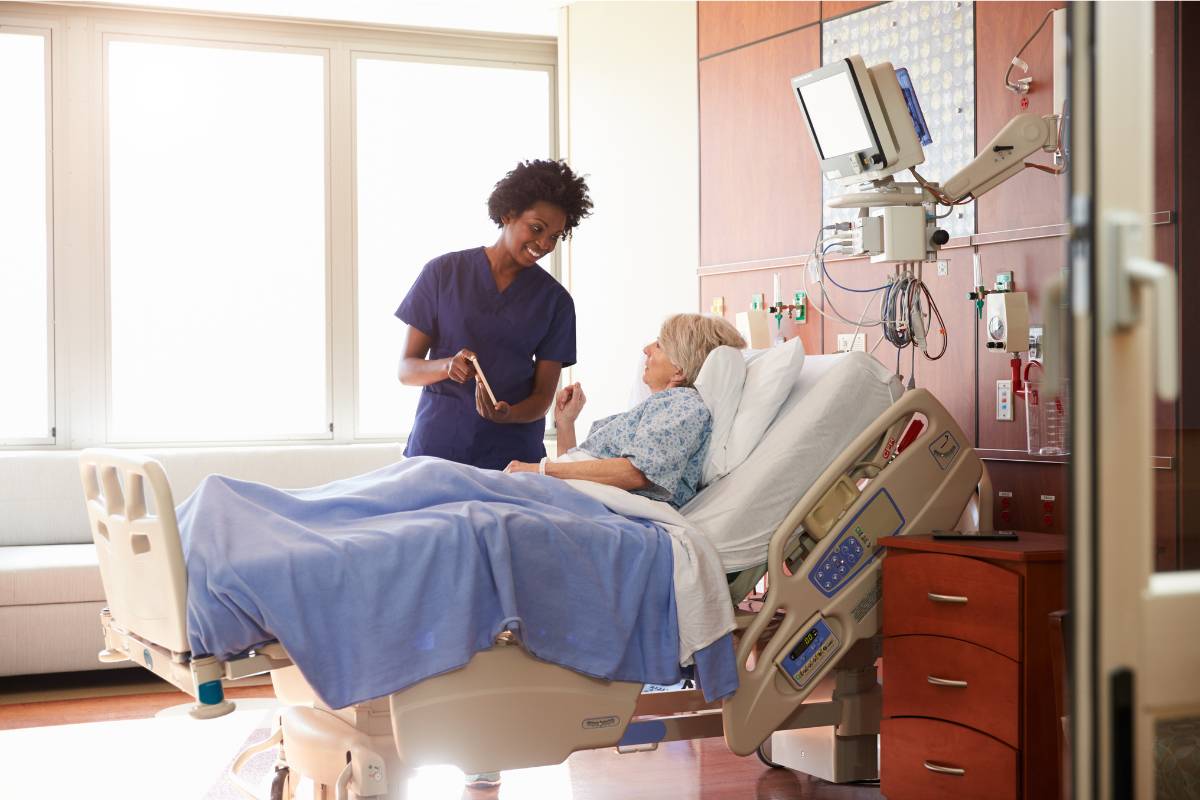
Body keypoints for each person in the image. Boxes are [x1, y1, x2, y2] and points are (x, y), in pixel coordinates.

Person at [396, 159, 593, 470]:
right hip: (438, 450)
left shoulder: (556, 302)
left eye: (555, 236)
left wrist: (509, 414)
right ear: (508, 214)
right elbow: (407, 369)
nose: (544, 244)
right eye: (537, 228)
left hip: (512, 459)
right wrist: (448, 366)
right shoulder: (442, 273)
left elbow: (543, 397)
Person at [505, 313, 746, 508]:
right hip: (576, 500)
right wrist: (566, 422)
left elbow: (637, 473)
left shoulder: (685, 406)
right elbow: (583, 473)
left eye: (660, 345)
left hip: (599, 513)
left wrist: (540, 470)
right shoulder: (660, 409)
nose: (647, 350)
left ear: (679, 371)